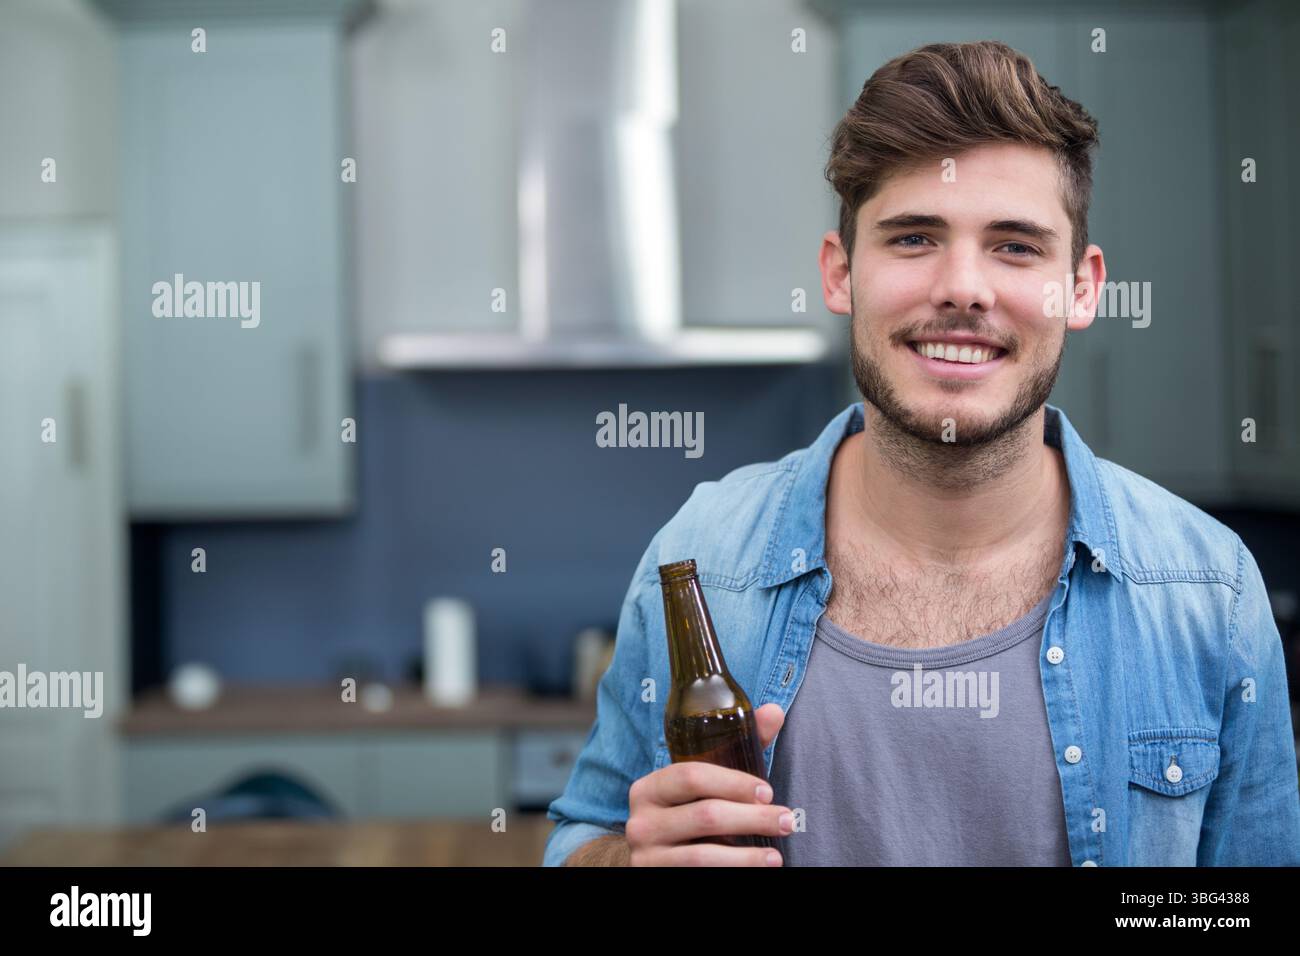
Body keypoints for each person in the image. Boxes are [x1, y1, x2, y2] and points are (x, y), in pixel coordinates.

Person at [543, 40, 1300, 866]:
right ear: (841, 275)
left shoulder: (1209, 590)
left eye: (1015, 245)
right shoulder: (701, 557)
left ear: (1082, 288)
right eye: (912, 238)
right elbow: (584, 831)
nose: (962, 287)